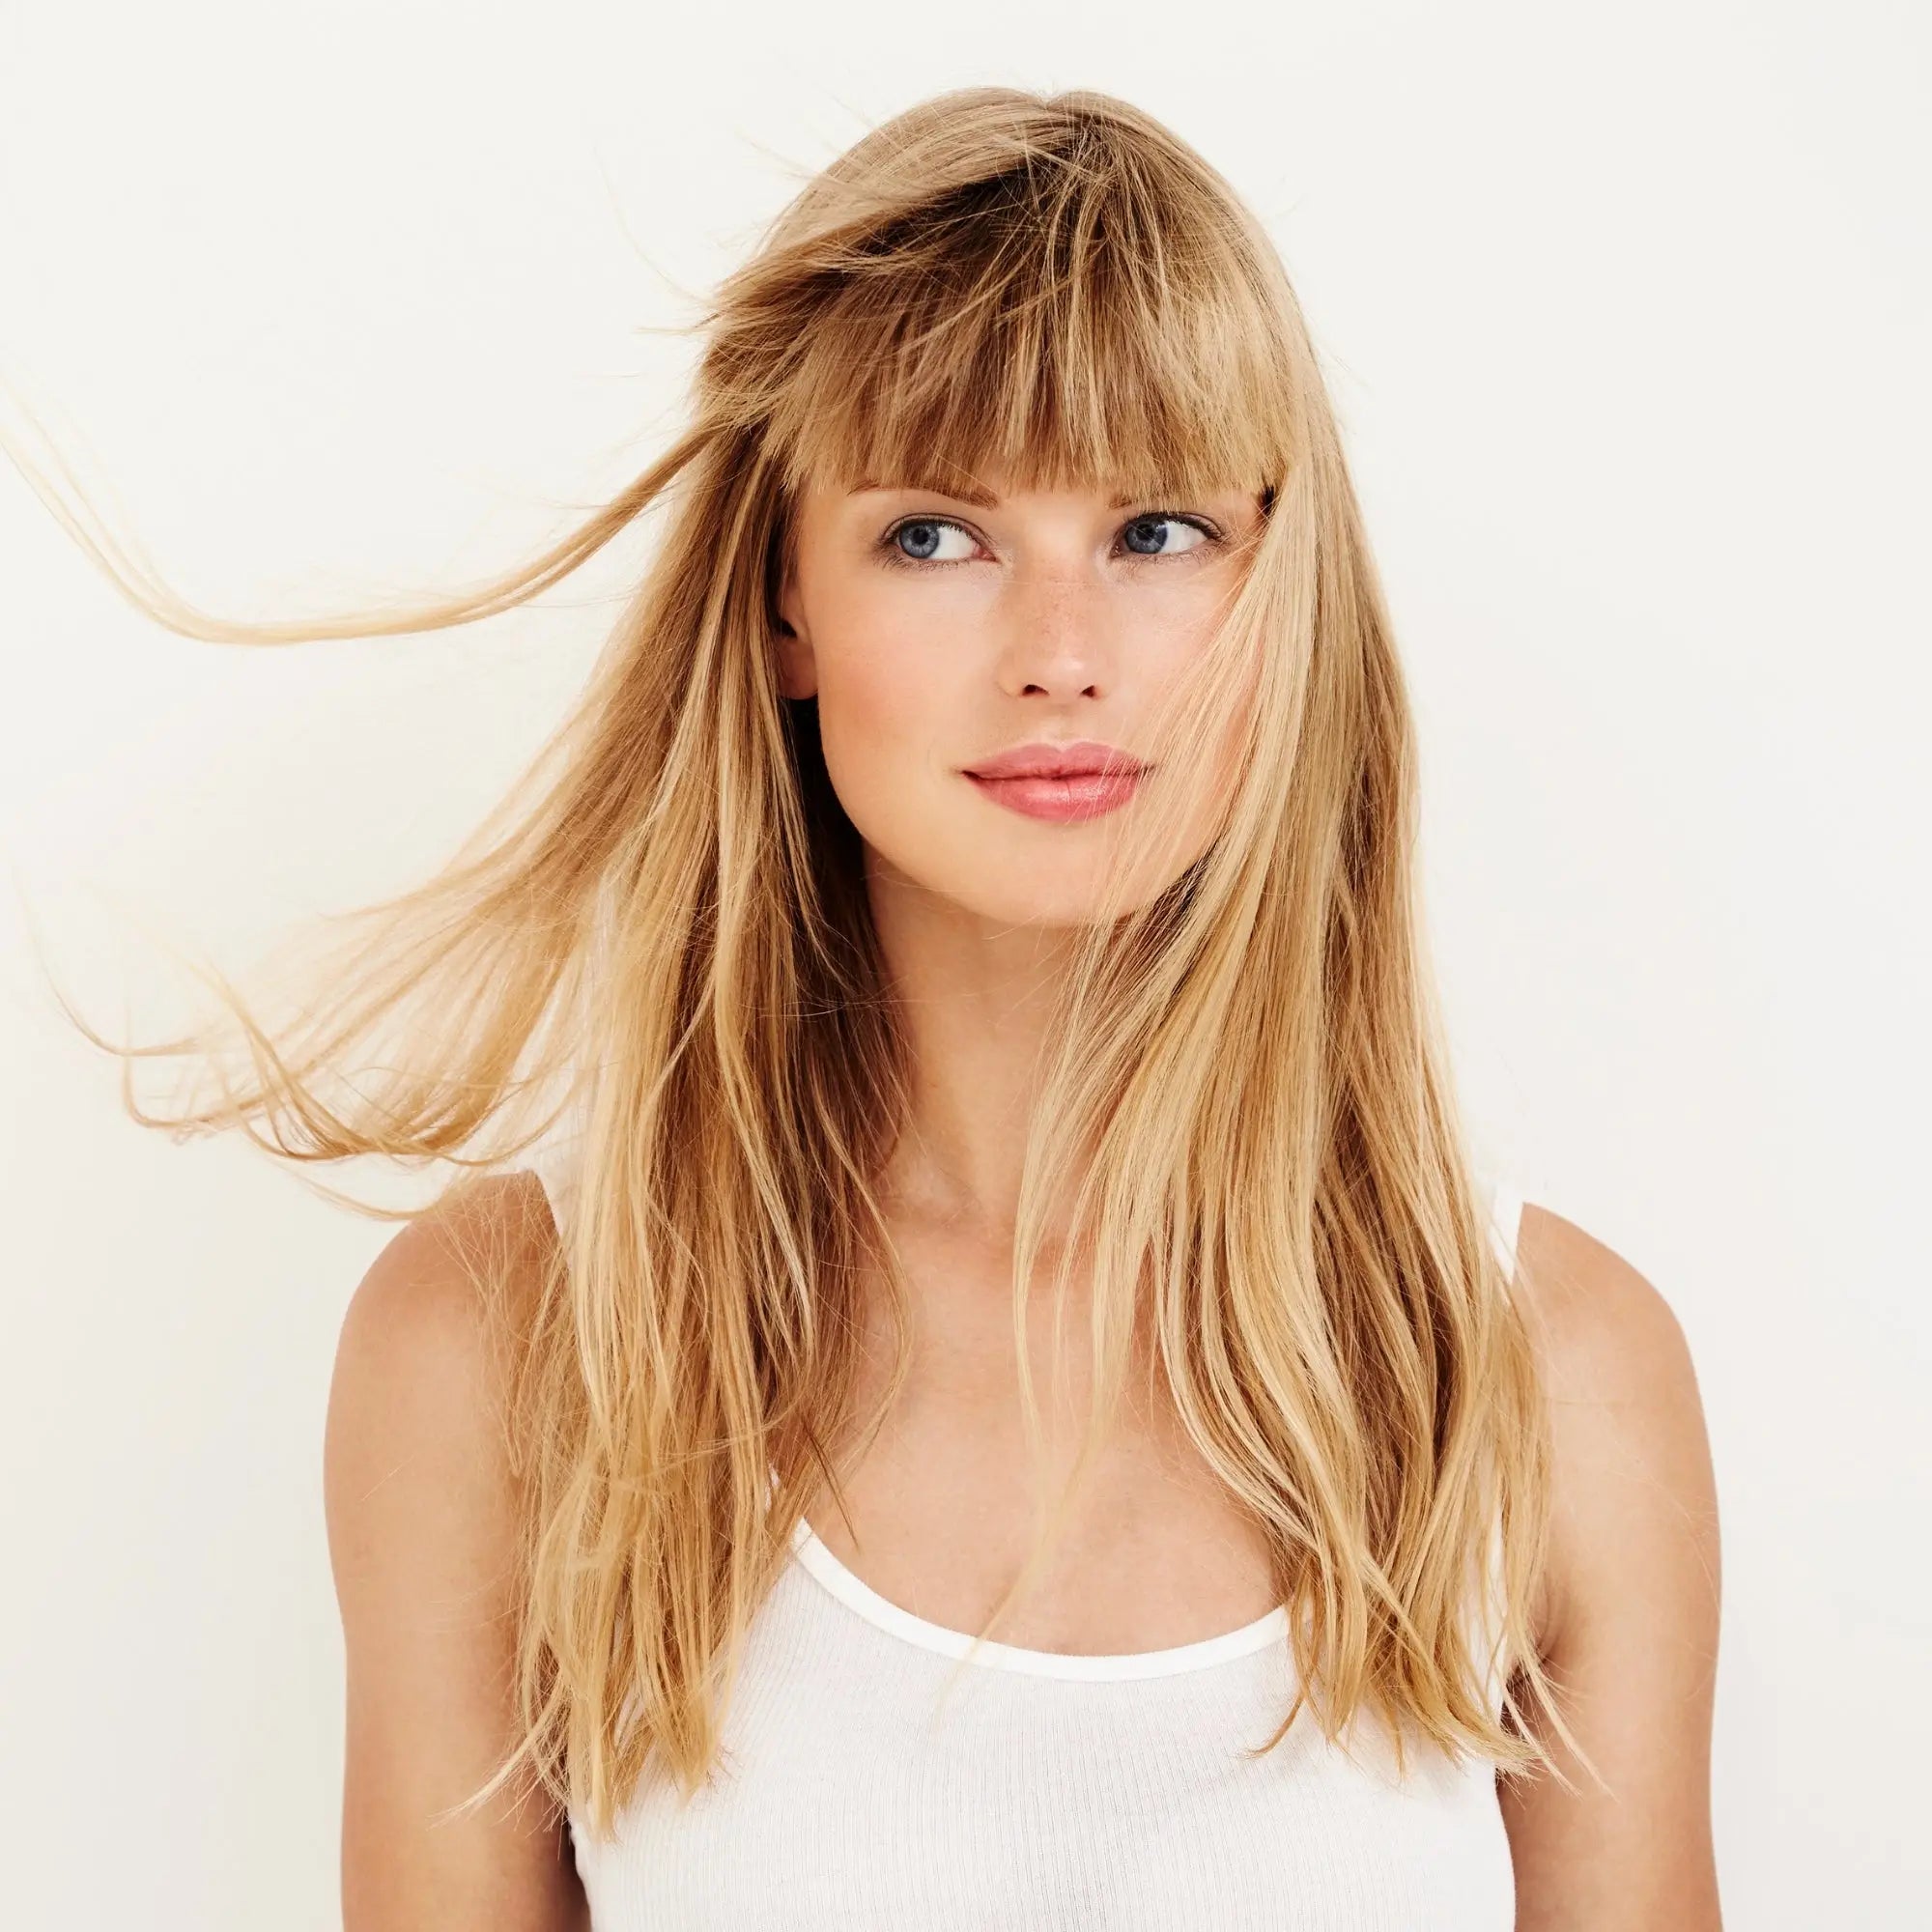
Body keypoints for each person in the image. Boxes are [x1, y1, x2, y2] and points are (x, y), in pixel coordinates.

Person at [18, 84, 1721, 1929]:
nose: (1063, 656)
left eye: (1159, 531)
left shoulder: (1543, 1376)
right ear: (782, 606)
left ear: (1284, 590)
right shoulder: (510, 1354)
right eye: (935, 536)